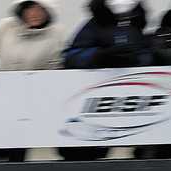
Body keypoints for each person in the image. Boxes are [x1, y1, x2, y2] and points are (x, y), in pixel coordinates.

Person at [62, 0, 151, 162]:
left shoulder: (137, 25)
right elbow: (71, 56)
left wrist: (136, 61)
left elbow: (148, 54)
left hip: (134, 99)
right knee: (87, 151)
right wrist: (99, 56)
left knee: (143, 143)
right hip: (95, 99)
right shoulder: (93, 25)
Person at [0, 2, 63, 162]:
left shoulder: (55, 35)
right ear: (22, 10)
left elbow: (55, 68)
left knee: (17, 151)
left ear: (47, 12)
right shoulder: (5, 26)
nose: (35, 14)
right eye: (30, 9)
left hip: (27, 103)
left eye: (40, 9)